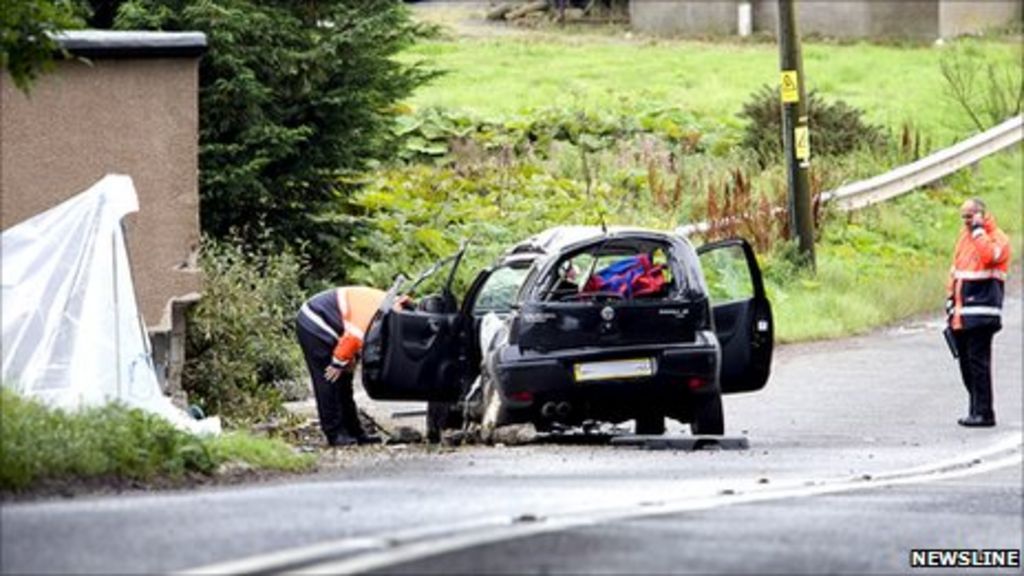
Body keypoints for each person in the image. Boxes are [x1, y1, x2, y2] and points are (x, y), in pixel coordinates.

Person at [296, 286, 402, 446]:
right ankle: (335, 433)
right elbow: (355, 335)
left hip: (339, 325)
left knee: (345, 382)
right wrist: (338, 362)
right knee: (329, 378)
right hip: (316, 320)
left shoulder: (392, 308)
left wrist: (349, 359)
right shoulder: (377, 314)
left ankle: (354, 431)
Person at [945, 198, 1011, 428]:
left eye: (970, 216)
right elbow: (956, 271)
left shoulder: (997, 238)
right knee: (966, 364)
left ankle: (984, 412)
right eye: (963, 216)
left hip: (982, 312)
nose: (966, 221)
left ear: (981, 214)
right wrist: (950, 300)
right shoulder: (964, 238)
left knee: (978, 363)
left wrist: (979, 231)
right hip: (961, 312)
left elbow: (989, 256)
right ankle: (975, 409)